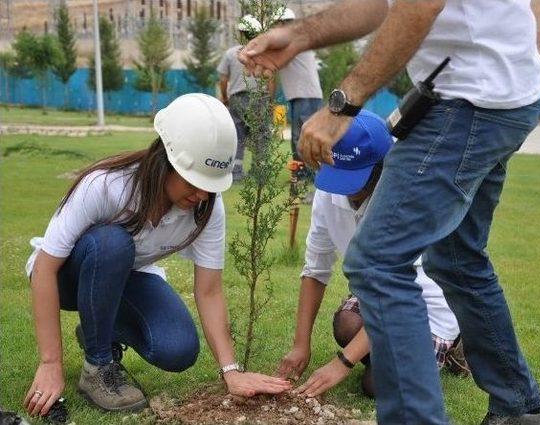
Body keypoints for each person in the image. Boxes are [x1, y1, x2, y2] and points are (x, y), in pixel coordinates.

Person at [239, 1, 540, 424]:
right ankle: (522, 411)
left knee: (377, 262)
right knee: (456, 258)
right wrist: (301, 34)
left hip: (468, 100)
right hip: (490, 95)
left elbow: (418, 5)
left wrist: (343, 105)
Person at [22, 94, 290, 418]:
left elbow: (209, 290)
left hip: (126, 275)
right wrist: (51, 363)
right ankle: (98, 367)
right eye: (194, 181)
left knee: (177, 348)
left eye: (211, 186)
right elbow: (45, 269)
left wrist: (231, 371)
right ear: (166, 158)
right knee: (113, 243)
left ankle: (101, 328)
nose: (202, 194)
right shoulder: (106, 186)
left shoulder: (207, 207)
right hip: (68, 275)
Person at [277, 110, 468, 399]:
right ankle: (397, 357)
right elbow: (315, 269)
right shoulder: (329, 191)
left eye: (355, 180)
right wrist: (300, 344)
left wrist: (342, 363)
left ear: (383, 167)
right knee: (347, 324)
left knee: (377, 386)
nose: (346, 193)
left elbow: (396, 294)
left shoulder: (406, 202)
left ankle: (451, 345)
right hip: (376, 297)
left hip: (425, 307)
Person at [217, 15, 274, 182]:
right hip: (260, 98)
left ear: (241, 33)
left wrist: (225, 98)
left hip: (237, 98)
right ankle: (260, 173)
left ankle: (235, 172)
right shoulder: (264, 54)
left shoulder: (230, 54)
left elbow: (223, 80)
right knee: (261, 135)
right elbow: (270, 79)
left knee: (238, 135)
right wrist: (269, 101)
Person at [274, 8, 323, 182]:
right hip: (304, 94)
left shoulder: (291, 38)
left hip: (305, 95)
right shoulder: (296, 37)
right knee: (303, 136)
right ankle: (306, 173)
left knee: (301, 137)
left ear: (281, 23)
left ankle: (306, 175)